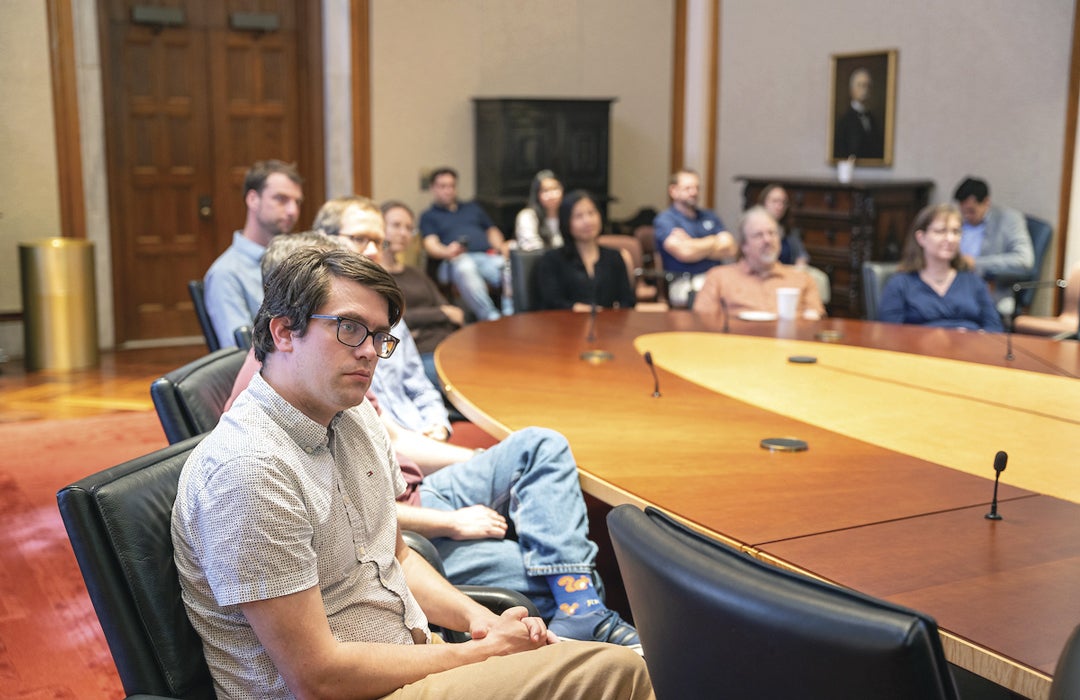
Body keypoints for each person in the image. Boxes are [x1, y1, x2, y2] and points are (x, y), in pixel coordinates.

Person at [174, 246, 653, 699]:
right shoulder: (249, 471)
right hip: (351, 692)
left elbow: (397, 556)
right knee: (621, 671)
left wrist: (479, 620)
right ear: (283, 333)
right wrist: (479, 654)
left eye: (379, 336)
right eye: (349, 328)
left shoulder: (353, 414)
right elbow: (315, 678)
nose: (368, 351)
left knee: (600, 662)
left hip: (412, 659)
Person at [315, 196, 452, 441]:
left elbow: (418, 383)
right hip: (394, 454)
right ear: (324, 238)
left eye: (379, 242)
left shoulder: (387, 310)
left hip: (424, 433)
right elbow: (386, 439)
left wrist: (438, 425)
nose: (372, 251)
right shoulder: (321, 325)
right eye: (359, 239)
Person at [203, 159, 303, 348]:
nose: (293, 211)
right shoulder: (226, 273)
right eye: (281, 199)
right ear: (253, 200)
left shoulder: (297, 260)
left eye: (297, 202)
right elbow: (240, 351)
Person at [877, 202, 1003, 332]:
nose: (950, 238)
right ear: (921, 238)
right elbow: (889, 334)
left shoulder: (974, 282)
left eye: (956, 232)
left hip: (970, 349)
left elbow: (995, 329)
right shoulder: (900, 284)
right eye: (941, 231)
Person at [381, 200, 465, 389]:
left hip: (450, 344)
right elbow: (395, 321)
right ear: (379, 227)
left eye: (409, 228)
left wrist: (425, 320)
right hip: (420, 353)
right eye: (396, 225)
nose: (403, 233)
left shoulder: (415, 273)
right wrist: (440, 315)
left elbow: (455, 314)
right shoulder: (377, 277)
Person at [692, 205, 825, 320]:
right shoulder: (719, 278)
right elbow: (703, 323)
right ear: (744, 245)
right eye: (758, 235)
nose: (767, 240)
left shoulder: (803, 279)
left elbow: (814, 326)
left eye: (772, 233)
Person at [419, 167, 508, 321]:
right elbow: (430, 244)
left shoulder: (472, 208)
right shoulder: (429, 216)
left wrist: (501, 247)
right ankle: (491, 318)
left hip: (486, 257)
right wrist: (448, 251)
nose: (448, 190)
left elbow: (492, 231)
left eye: (452, 186)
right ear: (433, 188)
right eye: (443, 186)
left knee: (508, 266)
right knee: (464, 266)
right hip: (452, 261)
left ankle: (511, 313)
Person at [536, 190, 636, 311]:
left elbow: (628, 301)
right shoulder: (551, 260)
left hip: (608, 325)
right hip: (565, 325)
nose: (587, 221)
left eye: (591, 213)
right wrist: (586, 310)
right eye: (578, 216)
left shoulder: (615, 257)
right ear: (566, 221)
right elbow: (552, 302)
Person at [652, 169, 736, 306]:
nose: (694, 192)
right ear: (673, 191)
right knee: (712, 297)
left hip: (717, 277)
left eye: (697, 188)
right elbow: (685, 253)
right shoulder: (665, 220)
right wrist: (714, 242)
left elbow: (731, 249)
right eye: (688, 188)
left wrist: (691, 243)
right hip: (684, 281)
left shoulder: (709, 216)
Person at [953, 176, 1034, 313]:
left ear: (986, 202)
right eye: (963, 210)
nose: (966, 216)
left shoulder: (1008, 220)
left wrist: (976, 263)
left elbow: (1024, 261)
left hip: (990, 288)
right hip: (953, 284)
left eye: (971, 211)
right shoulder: (956, 222)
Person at [758, 184, 832, 304]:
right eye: (775, 201)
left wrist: (799, 268)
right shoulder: (755, 228)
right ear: (763, 203)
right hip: (765, 275)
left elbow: (802, 255)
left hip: (788, 276)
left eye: (783, 202)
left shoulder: (788, 230)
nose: (780, 206)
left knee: (818, 279)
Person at [833, 67, 883, 160]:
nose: (865, 90)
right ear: (851, 90)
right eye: (860, 85)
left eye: (867, 85)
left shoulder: (873, 119)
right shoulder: (845, 121)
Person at [514, 170, 565, 251]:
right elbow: (532, 248)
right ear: (537, 194)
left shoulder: (569, 214)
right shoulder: (527, 216)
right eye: (545, 191)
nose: (551, 195)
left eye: (555, 189)